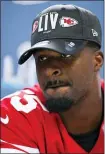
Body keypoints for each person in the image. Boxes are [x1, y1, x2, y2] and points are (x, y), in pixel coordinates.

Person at [0, 4, 104, 153]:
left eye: (65, 55)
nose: (49, 70)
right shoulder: (15, 114)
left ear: (97, 61)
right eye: (42, 58)